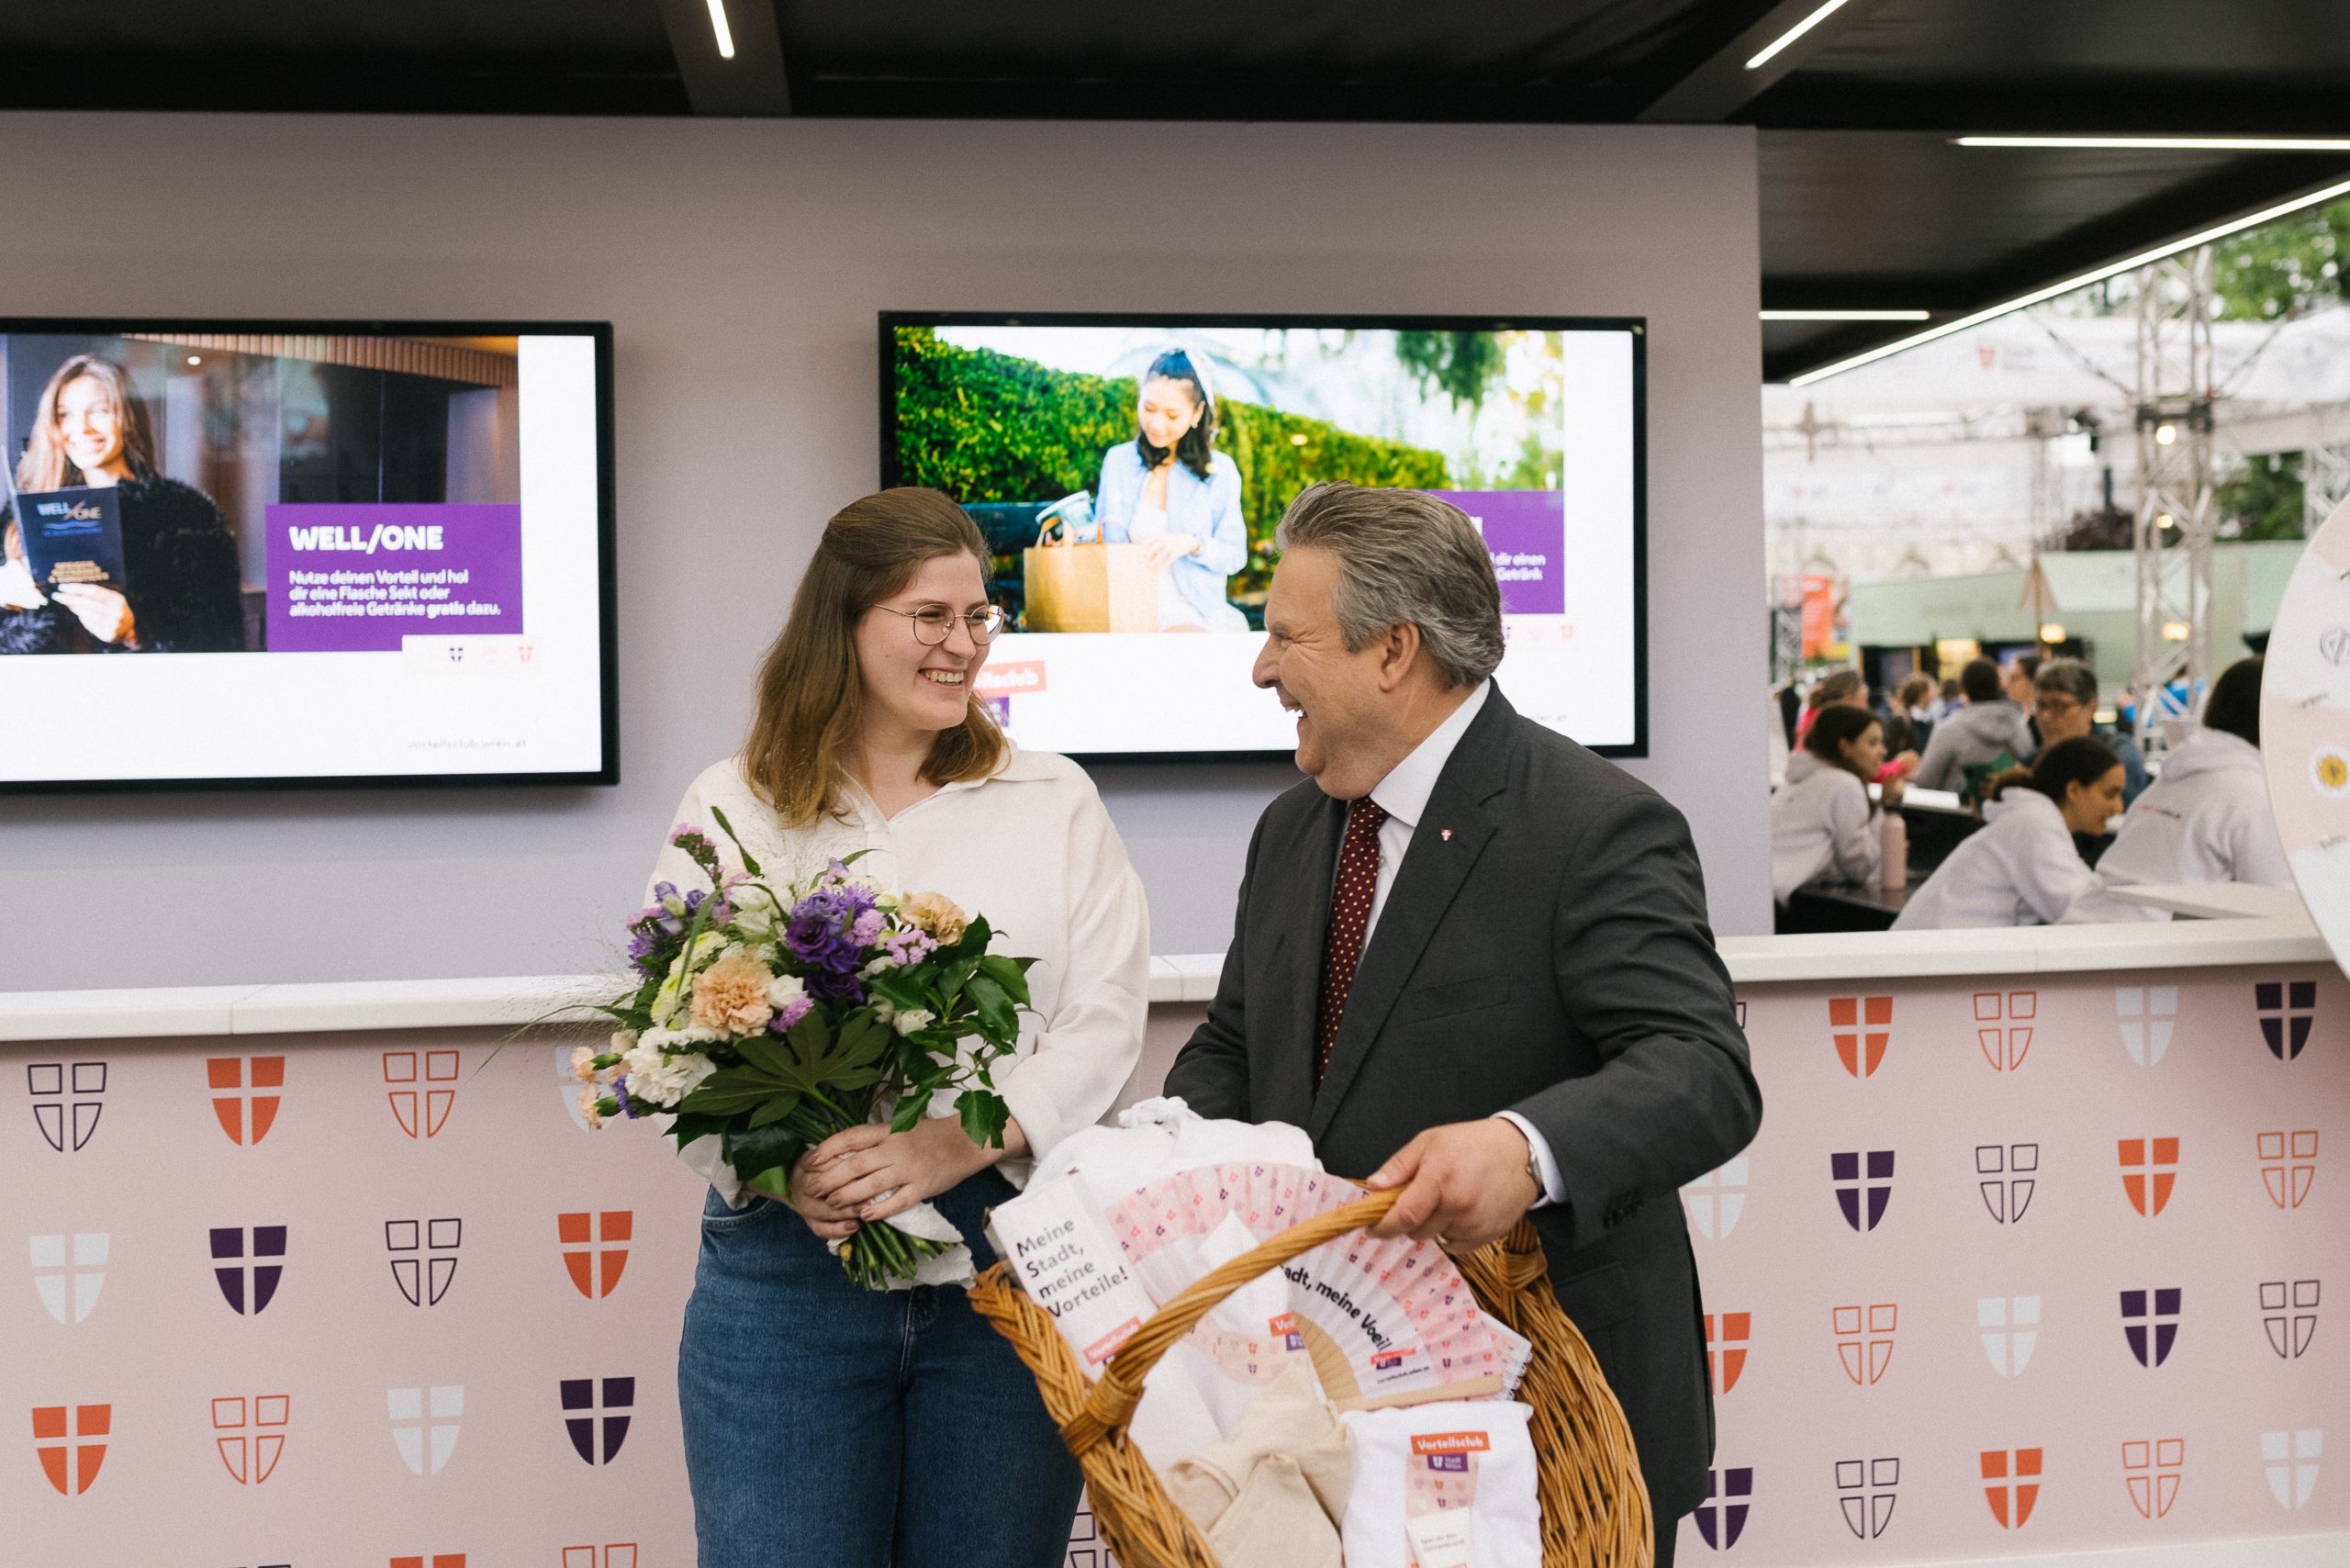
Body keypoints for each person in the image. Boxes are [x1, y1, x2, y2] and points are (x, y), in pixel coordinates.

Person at [1164, 482, 1762, 1567]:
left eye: (1286, 636)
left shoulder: (1593, 823)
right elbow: (1238, 1048)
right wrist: (1147, 1181)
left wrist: (1525, 1152)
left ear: (1392, 650)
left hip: (1555, 1425)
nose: (1260, 668)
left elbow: (1702, 1070)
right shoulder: (1291, 829)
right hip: (1333, 1417)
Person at [651, 488, 1149, 1567]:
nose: (962, 644)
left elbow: (1105, 1016)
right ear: (842, 621)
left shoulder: (1052, 798)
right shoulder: (734, 802)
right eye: (930, 615)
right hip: (787, 1272)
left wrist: (956, 1142)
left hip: (1004, 1264)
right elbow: (674, 1041)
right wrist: (785, 1170)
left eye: (978, 616)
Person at [0, 353, 243, 655]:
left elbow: (223, 641)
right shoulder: (21, 516)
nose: (82, 429)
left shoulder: (184, 514)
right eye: (65, 415)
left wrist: (136, 632)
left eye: (99, 411)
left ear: (128, 418)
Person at [1892, 736, 2152, 930]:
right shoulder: (2035, 825)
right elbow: (2079, 912)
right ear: (2073, 790)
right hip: (1928, 964)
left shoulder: (2035, 819)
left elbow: (2086, 890)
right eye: (2110, 793)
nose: (2118, 807)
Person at [1091, 347, 1248, 632]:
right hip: (1123, 607)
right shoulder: (1118, 460)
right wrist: (1075, 535)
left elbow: (1235, 555)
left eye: (1172, 415)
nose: (1156, 424)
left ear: (1197, 413)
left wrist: (1192, 543)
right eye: (1149, 408)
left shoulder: (1220, 471)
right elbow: (1102, 534)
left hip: (1192, 609)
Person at [2100, 655, 2290, 888]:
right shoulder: (2255, 796)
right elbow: (2274, 896)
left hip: (2092, 906)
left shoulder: (2174, 776)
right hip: (2152, 911)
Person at [1772, 705, 1898, 902]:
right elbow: (1859, 867)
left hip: (1767, 892)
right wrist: (1886, 815)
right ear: (1845, 747)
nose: (1883, 751)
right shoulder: (1844, 784)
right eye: (1873, 743)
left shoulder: (1799, 779)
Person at [2031, 656, 2147, 805]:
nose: (2045, 716)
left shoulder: (2119, 756)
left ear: (2091, 707)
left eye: (2058, 706)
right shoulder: (2033, 761)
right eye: (2041, 706)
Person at [1912, 657, 2033, 795]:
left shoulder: (1949, 729)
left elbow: (1925, 781)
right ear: (1998, 685)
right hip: (2013, 804)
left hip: (1960, 807)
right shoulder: (2019, 725)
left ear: (1963, 688)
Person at [1881, 674, 1936, 757]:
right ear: (1922, 695)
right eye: (1931, 689)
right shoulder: (1899, 721)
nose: (1934, 694)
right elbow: (1889, 753)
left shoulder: (1928, 721)